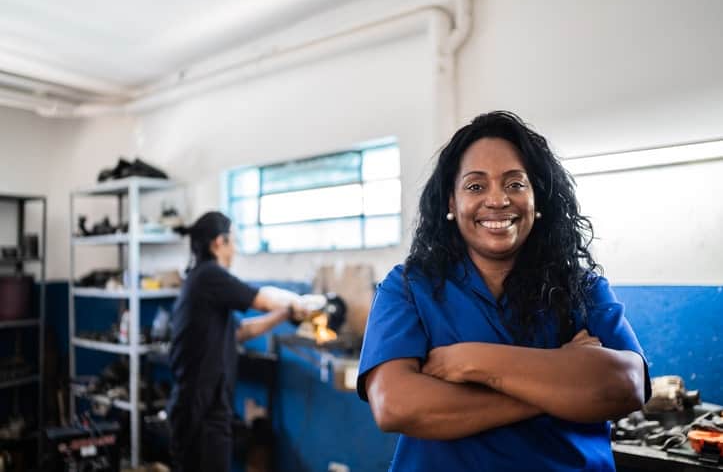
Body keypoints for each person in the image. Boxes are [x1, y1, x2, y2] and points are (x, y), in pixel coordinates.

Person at [357, 111, 651, 471]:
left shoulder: (582, 288)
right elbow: (396, 405)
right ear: (451, 202)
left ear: (537, 198)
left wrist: (470, 360)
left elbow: (627, 386)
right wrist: (563, 384)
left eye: (514, 184)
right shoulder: (409, 288)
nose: (497, 200)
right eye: (476, 186)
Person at [168, 211, 309, 471]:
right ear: (218, 242)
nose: (236, 249)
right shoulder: (209, 275)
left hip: (205, 405)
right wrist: (301, 303)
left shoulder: (202, 281)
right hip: (201, 409)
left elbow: (241, 331)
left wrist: (286, 314)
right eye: (233, 241)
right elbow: (262, 298)